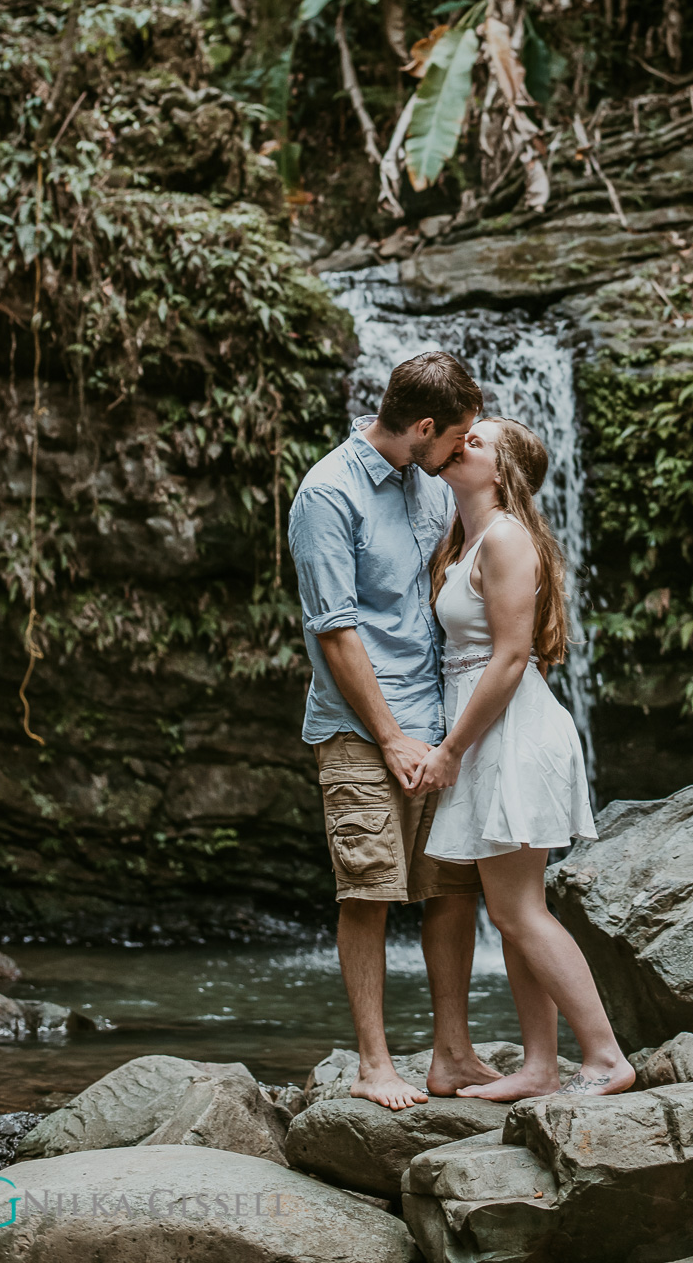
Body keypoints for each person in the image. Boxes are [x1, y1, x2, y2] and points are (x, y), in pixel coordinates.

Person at [289, 351, 502, 1110]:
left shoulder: (428, 483)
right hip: (361, 730)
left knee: (452, 888)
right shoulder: (327, 494)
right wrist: (390, 739)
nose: (462, 453)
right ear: (422, 426)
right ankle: (375, 1065)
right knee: (369, 889)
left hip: (440, 723)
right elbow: (336, 630)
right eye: (457, 439)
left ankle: (454, 1056)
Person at [411, 417, 635, 1099]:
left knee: (518, 911)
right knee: (513, 911)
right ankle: (540, 1066)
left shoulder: (505, 537)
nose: (458, 444)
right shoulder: (466, 536)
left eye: (475, 441)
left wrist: (450, 750)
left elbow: (510, 659)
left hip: (509, 733)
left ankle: (604, 1057)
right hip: (493, 733)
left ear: (505, 471)